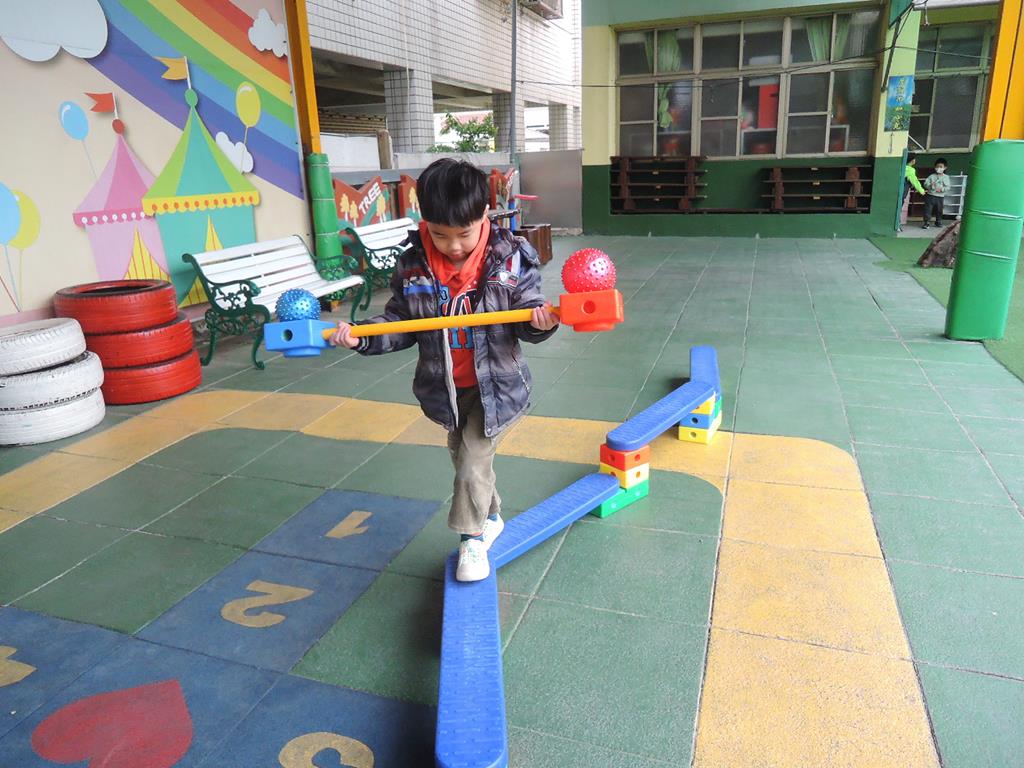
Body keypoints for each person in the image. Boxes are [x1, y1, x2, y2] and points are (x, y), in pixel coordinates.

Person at [329, 159, 559, 582]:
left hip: (497, 388)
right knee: (464, 459)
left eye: (464, 234)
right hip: (446, 390)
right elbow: (399, 324)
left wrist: (538, 322)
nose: (453, 246)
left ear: (484, 215)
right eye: (439, 234)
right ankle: (492, 517)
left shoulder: (510, 259)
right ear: (425, 222)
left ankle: (472, 538)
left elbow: (528, 313)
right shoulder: (413, 265)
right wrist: (361, 337)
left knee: (472, 461)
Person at [922, 157, 951, 229]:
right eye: (937, 166)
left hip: (940, 197)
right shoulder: (931, 176)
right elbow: (925, 184)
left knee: (939, 210)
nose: (938, 168)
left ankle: (938, 222)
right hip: (930, 195)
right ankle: (926, 222)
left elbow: (948, 187)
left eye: (941, 167)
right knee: (928, 209)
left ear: (945, 168)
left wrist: (941, 189)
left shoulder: (946, 177)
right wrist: (930, 185)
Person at [901, 153, 925, 232]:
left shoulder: (900, 166)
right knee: (899, 207)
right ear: (912, 160)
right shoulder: (910, 170)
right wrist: (921, 190)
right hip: (902, 191)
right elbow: (914, 181)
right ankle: (897, 226)